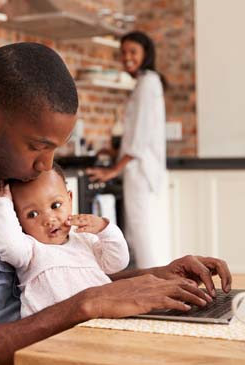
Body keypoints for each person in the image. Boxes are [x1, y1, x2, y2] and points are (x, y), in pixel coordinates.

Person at [0, 42, 231, 365]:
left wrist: (148, 279)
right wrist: (87, 304)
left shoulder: (3, 159)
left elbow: (47, 281)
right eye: (38, 146)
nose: (46, 166)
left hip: (65, 346)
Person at [0, 163, 129, 317]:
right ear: (17, 220)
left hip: (103, 319)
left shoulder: (85, 239)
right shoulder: (31, 249)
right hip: (56, 332)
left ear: (70, 199)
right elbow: (9, 246)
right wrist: (2, 204)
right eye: (32, 214)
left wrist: (104, 228)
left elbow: (117, 263)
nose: (49, 219)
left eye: (56, 205)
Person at [86, 31, 169, 269]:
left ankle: (153, 291)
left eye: (133, 51)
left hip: (139, 170)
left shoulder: (147, 83)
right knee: (140, 234)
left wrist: (113, 170)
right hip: (140, 168)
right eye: (123, 52)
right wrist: (115, 153)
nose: (127, 57)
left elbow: (140, 138)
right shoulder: (146, 82)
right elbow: (140, 133)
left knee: (141, 235)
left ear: (146, 53)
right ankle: (153, 287)